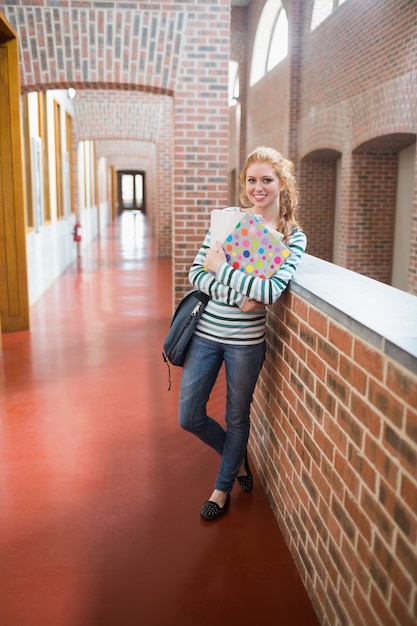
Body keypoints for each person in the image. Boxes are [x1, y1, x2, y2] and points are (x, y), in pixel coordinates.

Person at [178, 146, 307, 520]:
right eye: (252, 180)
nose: (258, 188)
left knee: (237, 417)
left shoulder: (291, 237)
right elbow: (197, 273)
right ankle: (236, 459)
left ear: (281, 183)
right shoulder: (229, 220)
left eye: (266, 180)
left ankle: (222, 488)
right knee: (189, 416)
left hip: (246, 344)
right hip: (206, 332)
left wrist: (222, 268)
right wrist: (238, 294)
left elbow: (269, 293)